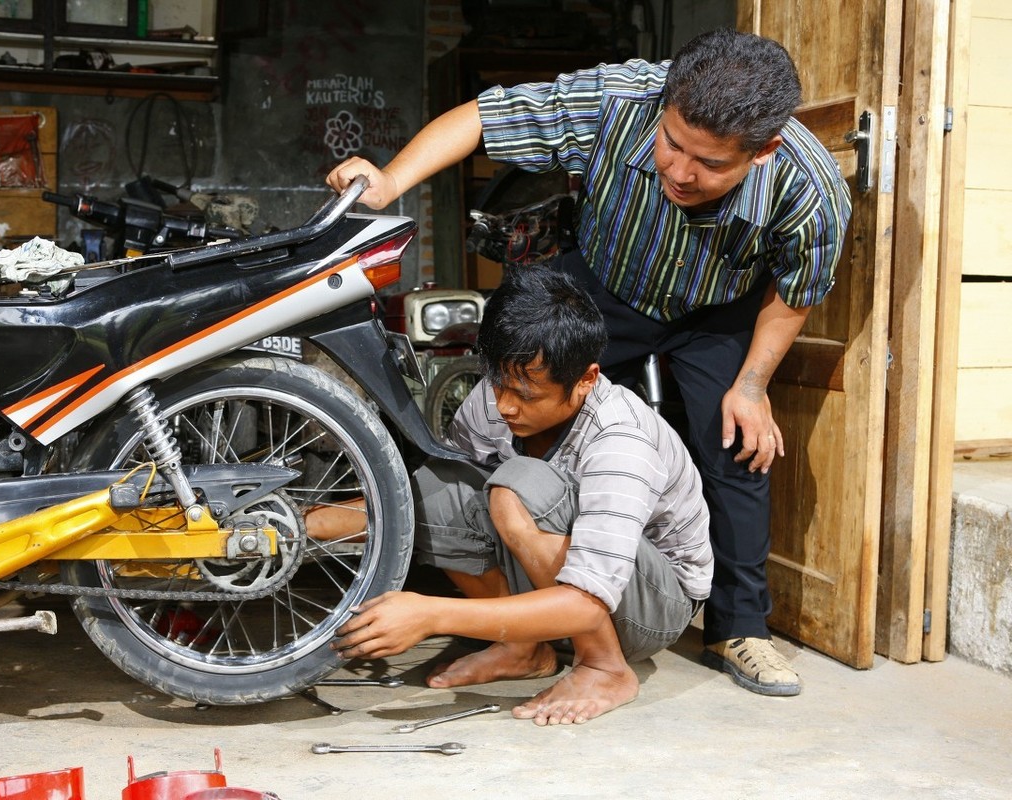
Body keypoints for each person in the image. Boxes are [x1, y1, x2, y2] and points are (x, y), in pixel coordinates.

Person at [327, 27, 852, 697]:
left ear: (764, 150)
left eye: (712, 165)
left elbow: (796, 290)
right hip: (606, 282)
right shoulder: (615, 97)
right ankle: (513, 597)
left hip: (715, 306)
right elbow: (483, 118)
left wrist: (752, 385)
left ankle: (740, 627)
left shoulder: (809, 191)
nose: (682, 174)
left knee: (735, 445)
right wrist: (389, 180)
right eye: (672, 145)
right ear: (663, 106)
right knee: (519, 403)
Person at [334, 265, 711, 725]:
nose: (506, 406)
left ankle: (604, 666)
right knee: (437, 485)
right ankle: (521, 648)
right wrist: (290, 524)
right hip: (563, 586)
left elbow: (587, 599)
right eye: (498, 383)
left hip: (646, 606)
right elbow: (446, 507)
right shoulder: (495, 398)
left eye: (527, 394)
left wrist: (430, 614)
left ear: (587, 379)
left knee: (517, 486)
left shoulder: (621, 441)